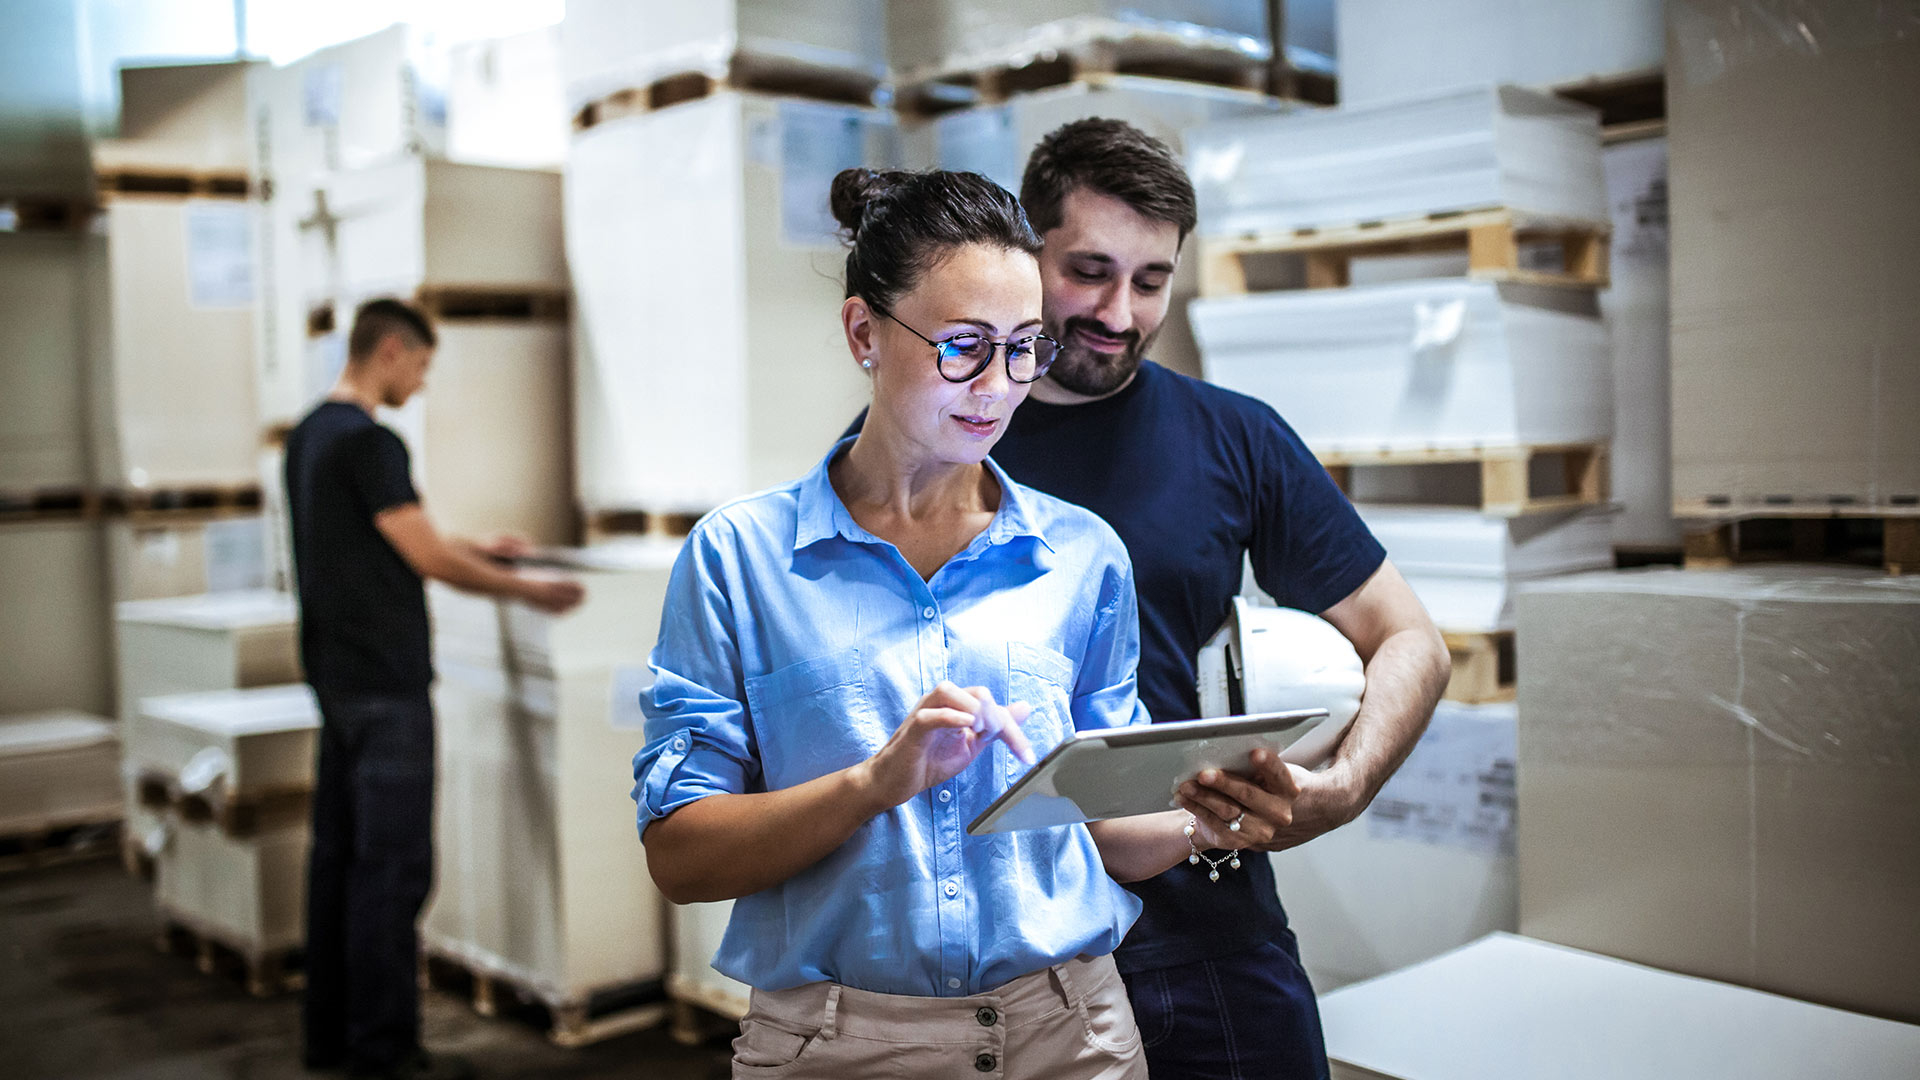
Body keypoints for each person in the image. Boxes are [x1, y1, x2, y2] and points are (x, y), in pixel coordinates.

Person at [631, 169, 1291, 1080]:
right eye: (964, 347)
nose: (997, 387)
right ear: (865, 331)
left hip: (1074, 1035)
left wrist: (1203, 817)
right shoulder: (739, 560)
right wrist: (873, 782)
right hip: (837, 1048)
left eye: (1025, 348)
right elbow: (681, 857)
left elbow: (1106, 829)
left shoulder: (1081, 555)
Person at [851, 119, 1453, 1079]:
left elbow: (1410, 639)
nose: (1119, 313)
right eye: (1088, 271)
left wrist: (1342, 790)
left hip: (1208, 934)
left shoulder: (1234, 438)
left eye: (1152, 280)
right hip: (995, 964)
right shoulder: (928, 435)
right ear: (1024, 252)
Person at [285, 298, 584, 1080]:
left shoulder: (313, 435)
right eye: (419, 367)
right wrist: (527, 590)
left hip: (335, 683)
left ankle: (330, 1041)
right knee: (394, 871)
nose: (418, 385)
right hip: (386, 688)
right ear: (390, 351)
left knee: (339, 864)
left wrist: (475, 543)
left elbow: (385, 535)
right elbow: (426, 560)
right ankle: (384, 1053)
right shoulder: (371, 442)